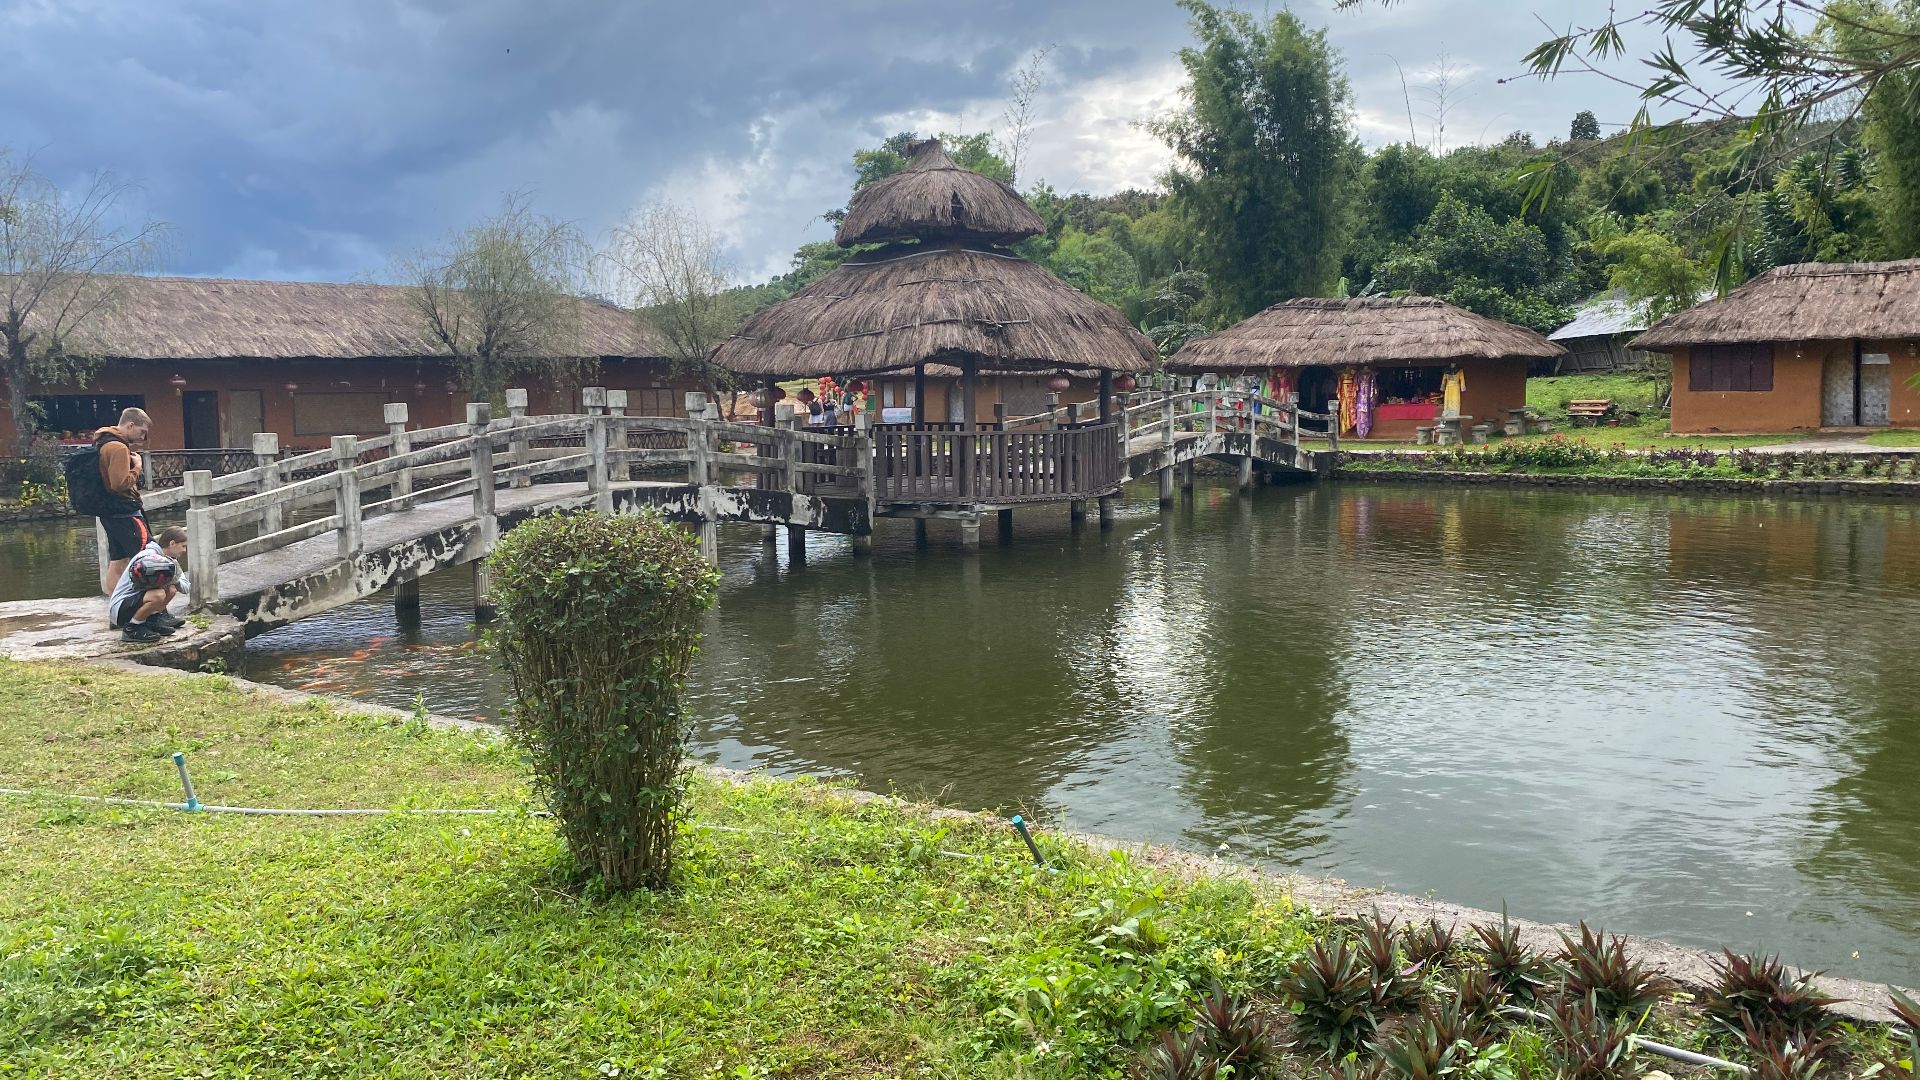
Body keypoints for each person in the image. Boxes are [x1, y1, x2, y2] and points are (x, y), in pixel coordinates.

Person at [91, 407, 153, 594]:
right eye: (142, 431)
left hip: (109, 511)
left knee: (118, 561)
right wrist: (137, 467)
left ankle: (116, 606)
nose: (143, 437)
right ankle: (152, 606)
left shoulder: (103, 442)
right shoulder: (118, 447)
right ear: (130, 425)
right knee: (147, 555)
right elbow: (119, 484)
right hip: (124, 511)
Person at [107, 526, 188, 643]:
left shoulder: (167, 560)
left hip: (132, 602)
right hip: (120, 608)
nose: (185, 550)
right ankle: (132, 628)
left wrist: (173, 580)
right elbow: (139, 586)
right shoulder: (147, 557)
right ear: (172, 543)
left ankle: (151, 621)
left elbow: (186, 588)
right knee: (158, 595)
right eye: (183, 546)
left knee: (170, 590)